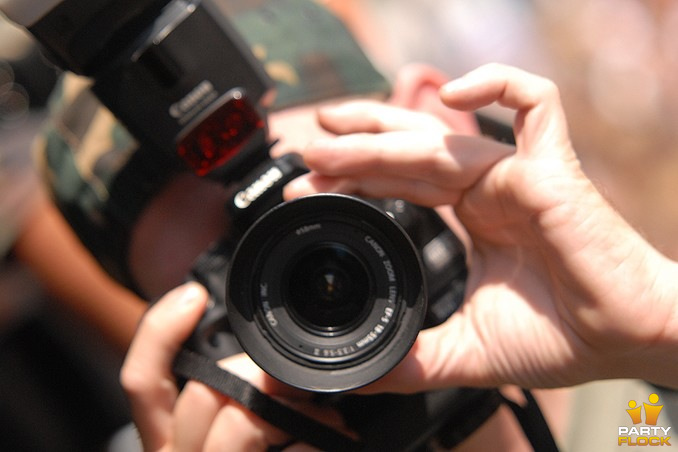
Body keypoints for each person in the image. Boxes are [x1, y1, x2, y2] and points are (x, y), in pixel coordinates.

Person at [121, 62, 678, 450]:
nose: (317, 318)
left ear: (440, 122)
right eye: (234, 283)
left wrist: (660, 328)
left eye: (329, 211)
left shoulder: (647, 412)